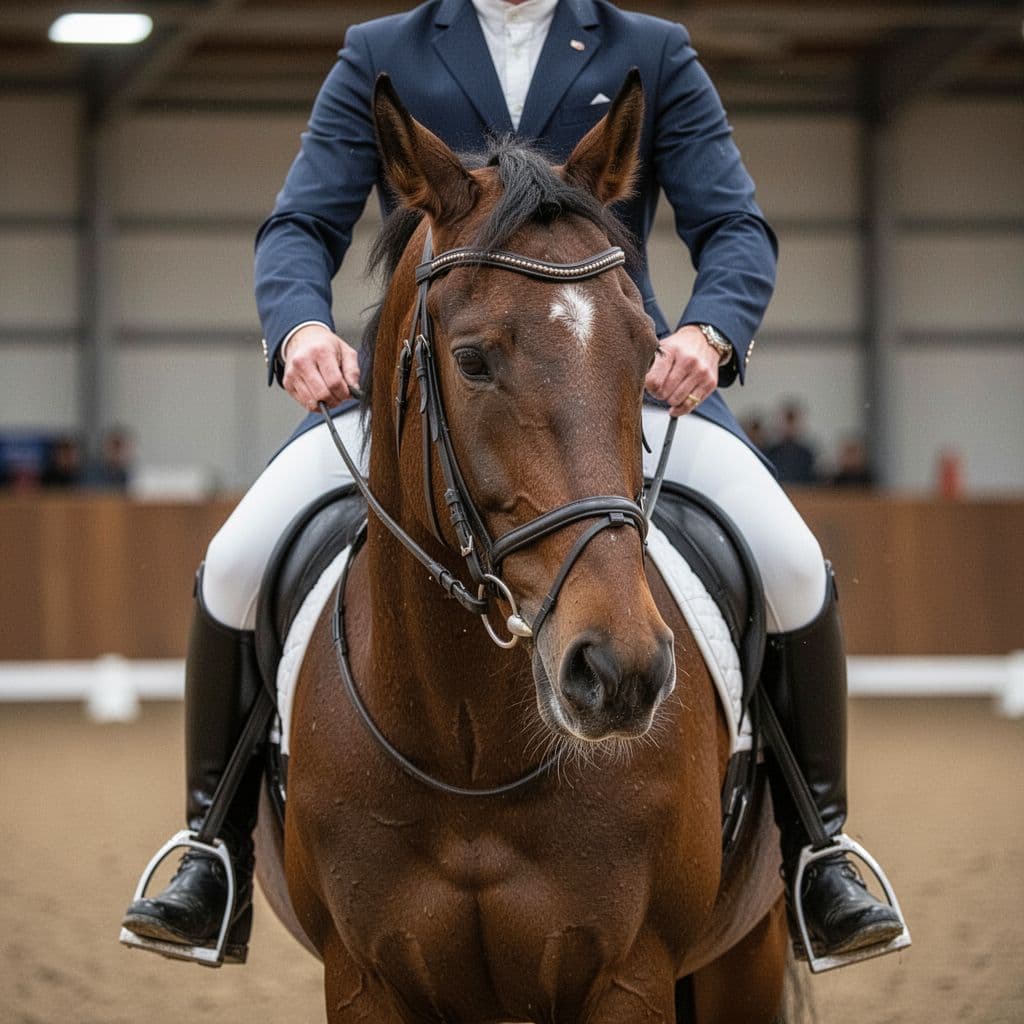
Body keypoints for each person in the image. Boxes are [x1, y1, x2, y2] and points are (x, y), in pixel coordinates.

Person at [123, 0, 904, 967]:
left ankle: (821, 852)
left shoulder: (649, 50)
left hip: (616, 377)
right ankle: (213, 850)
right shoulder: (384, 49)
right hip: (440, 380)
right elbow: (300, 225)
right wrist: (300, 329)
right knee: (236, 563)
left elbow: (735, 226)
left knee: (791, 565)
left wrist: (708, 332)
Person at [767, 400, 819, 485]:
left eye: (792, 421)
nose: (788, 426)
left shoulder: (807, 455)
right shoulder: (769, 452)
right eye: (786, 421)